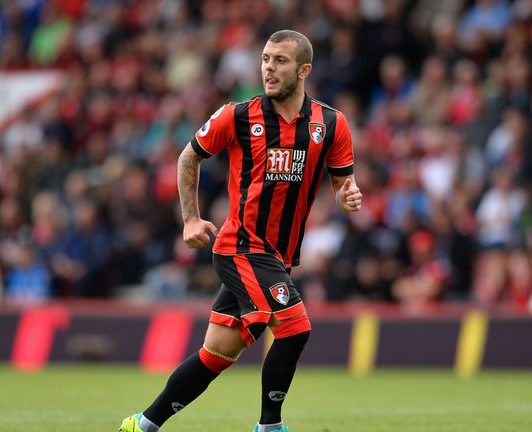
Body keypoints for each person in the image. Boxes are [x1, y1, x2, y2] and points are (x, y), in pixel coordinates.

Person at [118, 30, 362, 432]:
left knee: (217, 353)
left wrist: (348, 197)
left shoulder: (331, 124)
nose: (268, 67)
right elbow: (188, 157)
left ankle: (142, 424)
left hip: (278, 255)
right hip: (241, 247)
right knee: (296, 328)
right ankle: (269, 427)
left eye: (280, 60)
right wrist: (191, 219)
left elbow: (342, 185)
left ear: (304, 70)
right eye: (265, 58)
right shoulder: (237, 115)